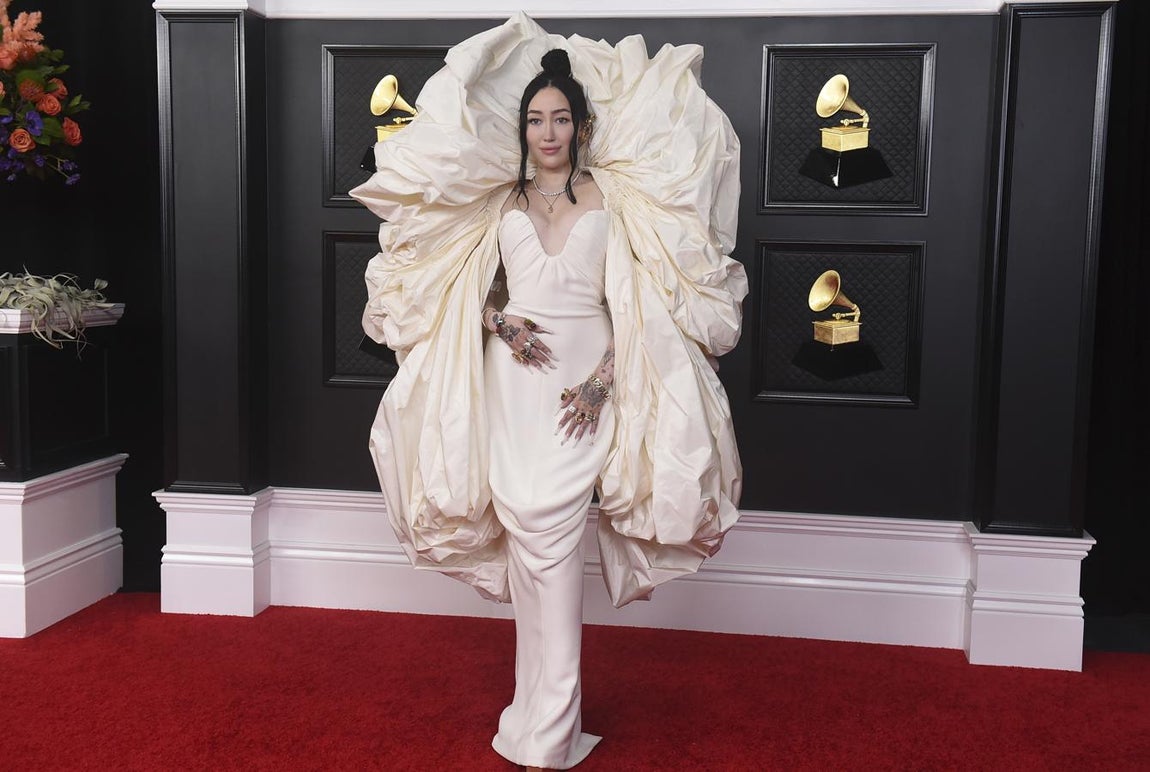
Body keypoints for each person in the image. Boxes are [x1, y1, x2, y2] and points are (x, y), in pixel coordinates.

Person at [351, 13, 747, 770]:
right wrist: (500, 323)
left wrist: (603, 381)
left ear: (581, 126)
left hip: (586, 385)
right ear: (523, 129)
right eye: (536, 119)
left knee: (555, 542)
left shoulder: (614, 199)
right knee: (526, 537)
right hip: (514, 382)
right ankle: (530, 709)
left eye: (560, 118)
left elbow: (640, 302)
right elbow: (467, 293)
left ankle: (553, 732)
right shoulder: (500, 204)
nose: (548, 131)